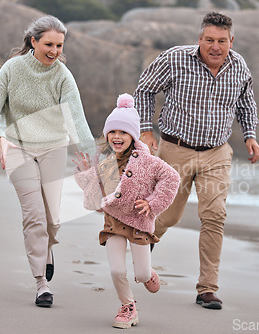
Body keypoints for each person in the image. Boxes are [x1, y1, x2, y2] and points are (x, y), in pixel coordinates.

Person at [134, 11, 259, 310]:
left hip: (217, 152)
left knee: (214, 216)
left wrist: (250, 135)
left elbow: (246, 101)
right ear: (200, 39)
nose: (214, 47)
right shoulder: (175, 59)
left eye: (221, 41)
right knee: (167, 216)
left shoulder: (239, 65)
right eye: (208, 40)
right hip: (175, 149)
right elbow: (145, 89)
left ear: (231, 41)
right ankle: (142, 247)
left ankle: (207, 289)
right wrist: (145, 130)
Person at [0, 15, 94, 308]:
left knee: (51, 217)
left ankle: (47, 247)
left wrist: (89, 153)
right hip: (17, 147)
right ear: (33, 42)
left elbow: (77, 117)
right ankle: (40, 284)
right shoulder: (13, 69)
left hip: (53, 148)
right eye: (49, 44)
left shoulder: (62, 75)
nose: (54, 51)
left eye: (59, 45)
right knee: (34, 215)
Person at [73, 94, 180, 329]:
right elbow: (96, 193)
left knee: (141, 275)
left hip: (139, 222)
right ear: (107, 134)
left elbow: (172, 178)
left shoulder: (148, 160)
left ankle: (148, 273)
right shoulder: (103, 161)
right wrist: (85, 174)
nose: (117, 137)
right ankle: (128, 306)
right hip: (113, 222)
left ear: (132, 135)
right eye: (112, 132)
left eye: (123, 132)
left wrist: (153, 204)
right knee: (116, 269)